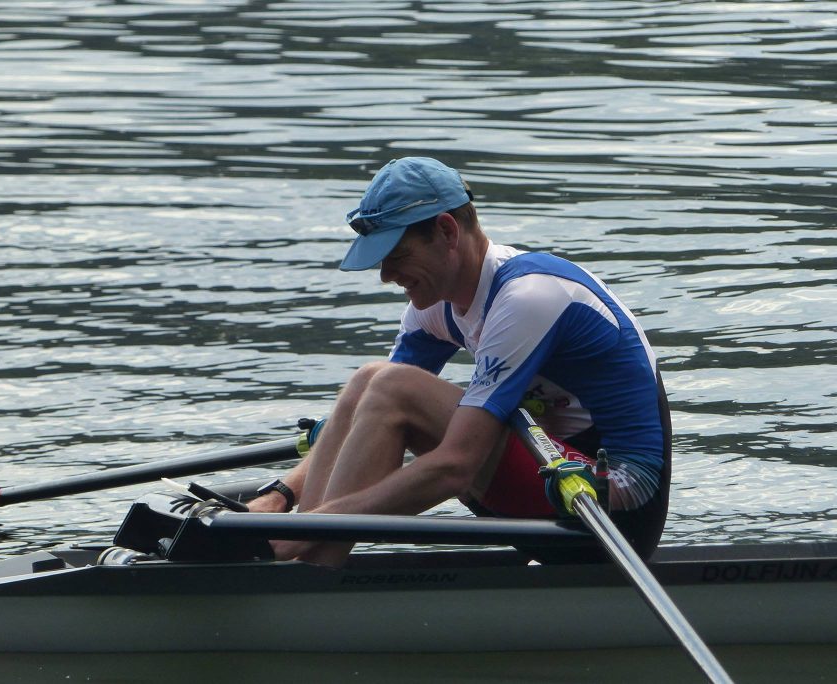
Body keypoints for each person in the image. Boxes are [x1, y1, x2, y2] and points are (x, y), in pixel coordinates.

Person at [248, 157, 671, 567]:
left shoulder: (529, 297)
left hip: (612, 512)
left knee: (393, 387)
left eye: (395, 255)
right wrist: (281, 495)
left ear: (447, 231)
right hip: (550, 479)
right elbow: (366, 414)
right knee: (370, 382)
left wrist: (310, 526)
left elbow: (455, 466)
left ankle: (305, 559)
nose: (386, 276)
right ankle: (301, 554)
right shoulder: (437, 304)